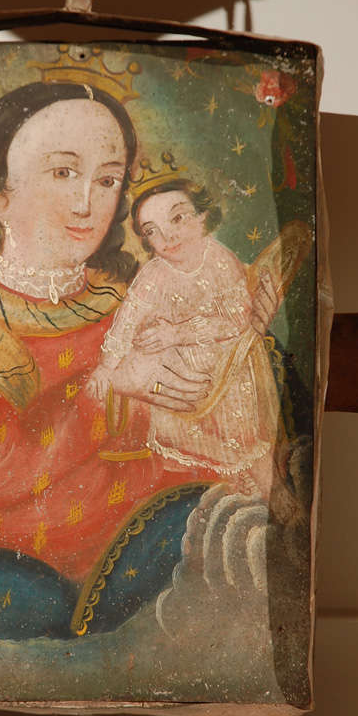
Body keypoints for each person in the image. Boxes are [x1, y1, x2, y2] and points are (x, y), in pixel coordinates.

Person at [0, 77, 285, 641]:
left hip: (152, 528)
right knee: (40, 604)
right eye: (63, 173)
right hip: (2, 549)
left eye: (106, 180)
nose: (86, 204)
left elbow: (215, 402)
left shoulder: (133, 294)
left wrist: (247, 333)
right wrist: (114, 389)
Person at [88, 174, 283, 501]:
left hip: (227, 366)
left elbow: (238, 319)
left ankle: (258, 483)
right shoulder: (153, 275)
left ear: (202, 216)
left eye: (177, 218)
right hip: (178, 370)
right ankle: (232, 476)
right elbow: (127, 322)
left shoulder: (220, 260)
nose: (167, 236)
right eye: (152, 231)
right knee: (184, 419)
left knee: (240, 434)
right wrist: (106, 367)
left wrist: (178, 333)